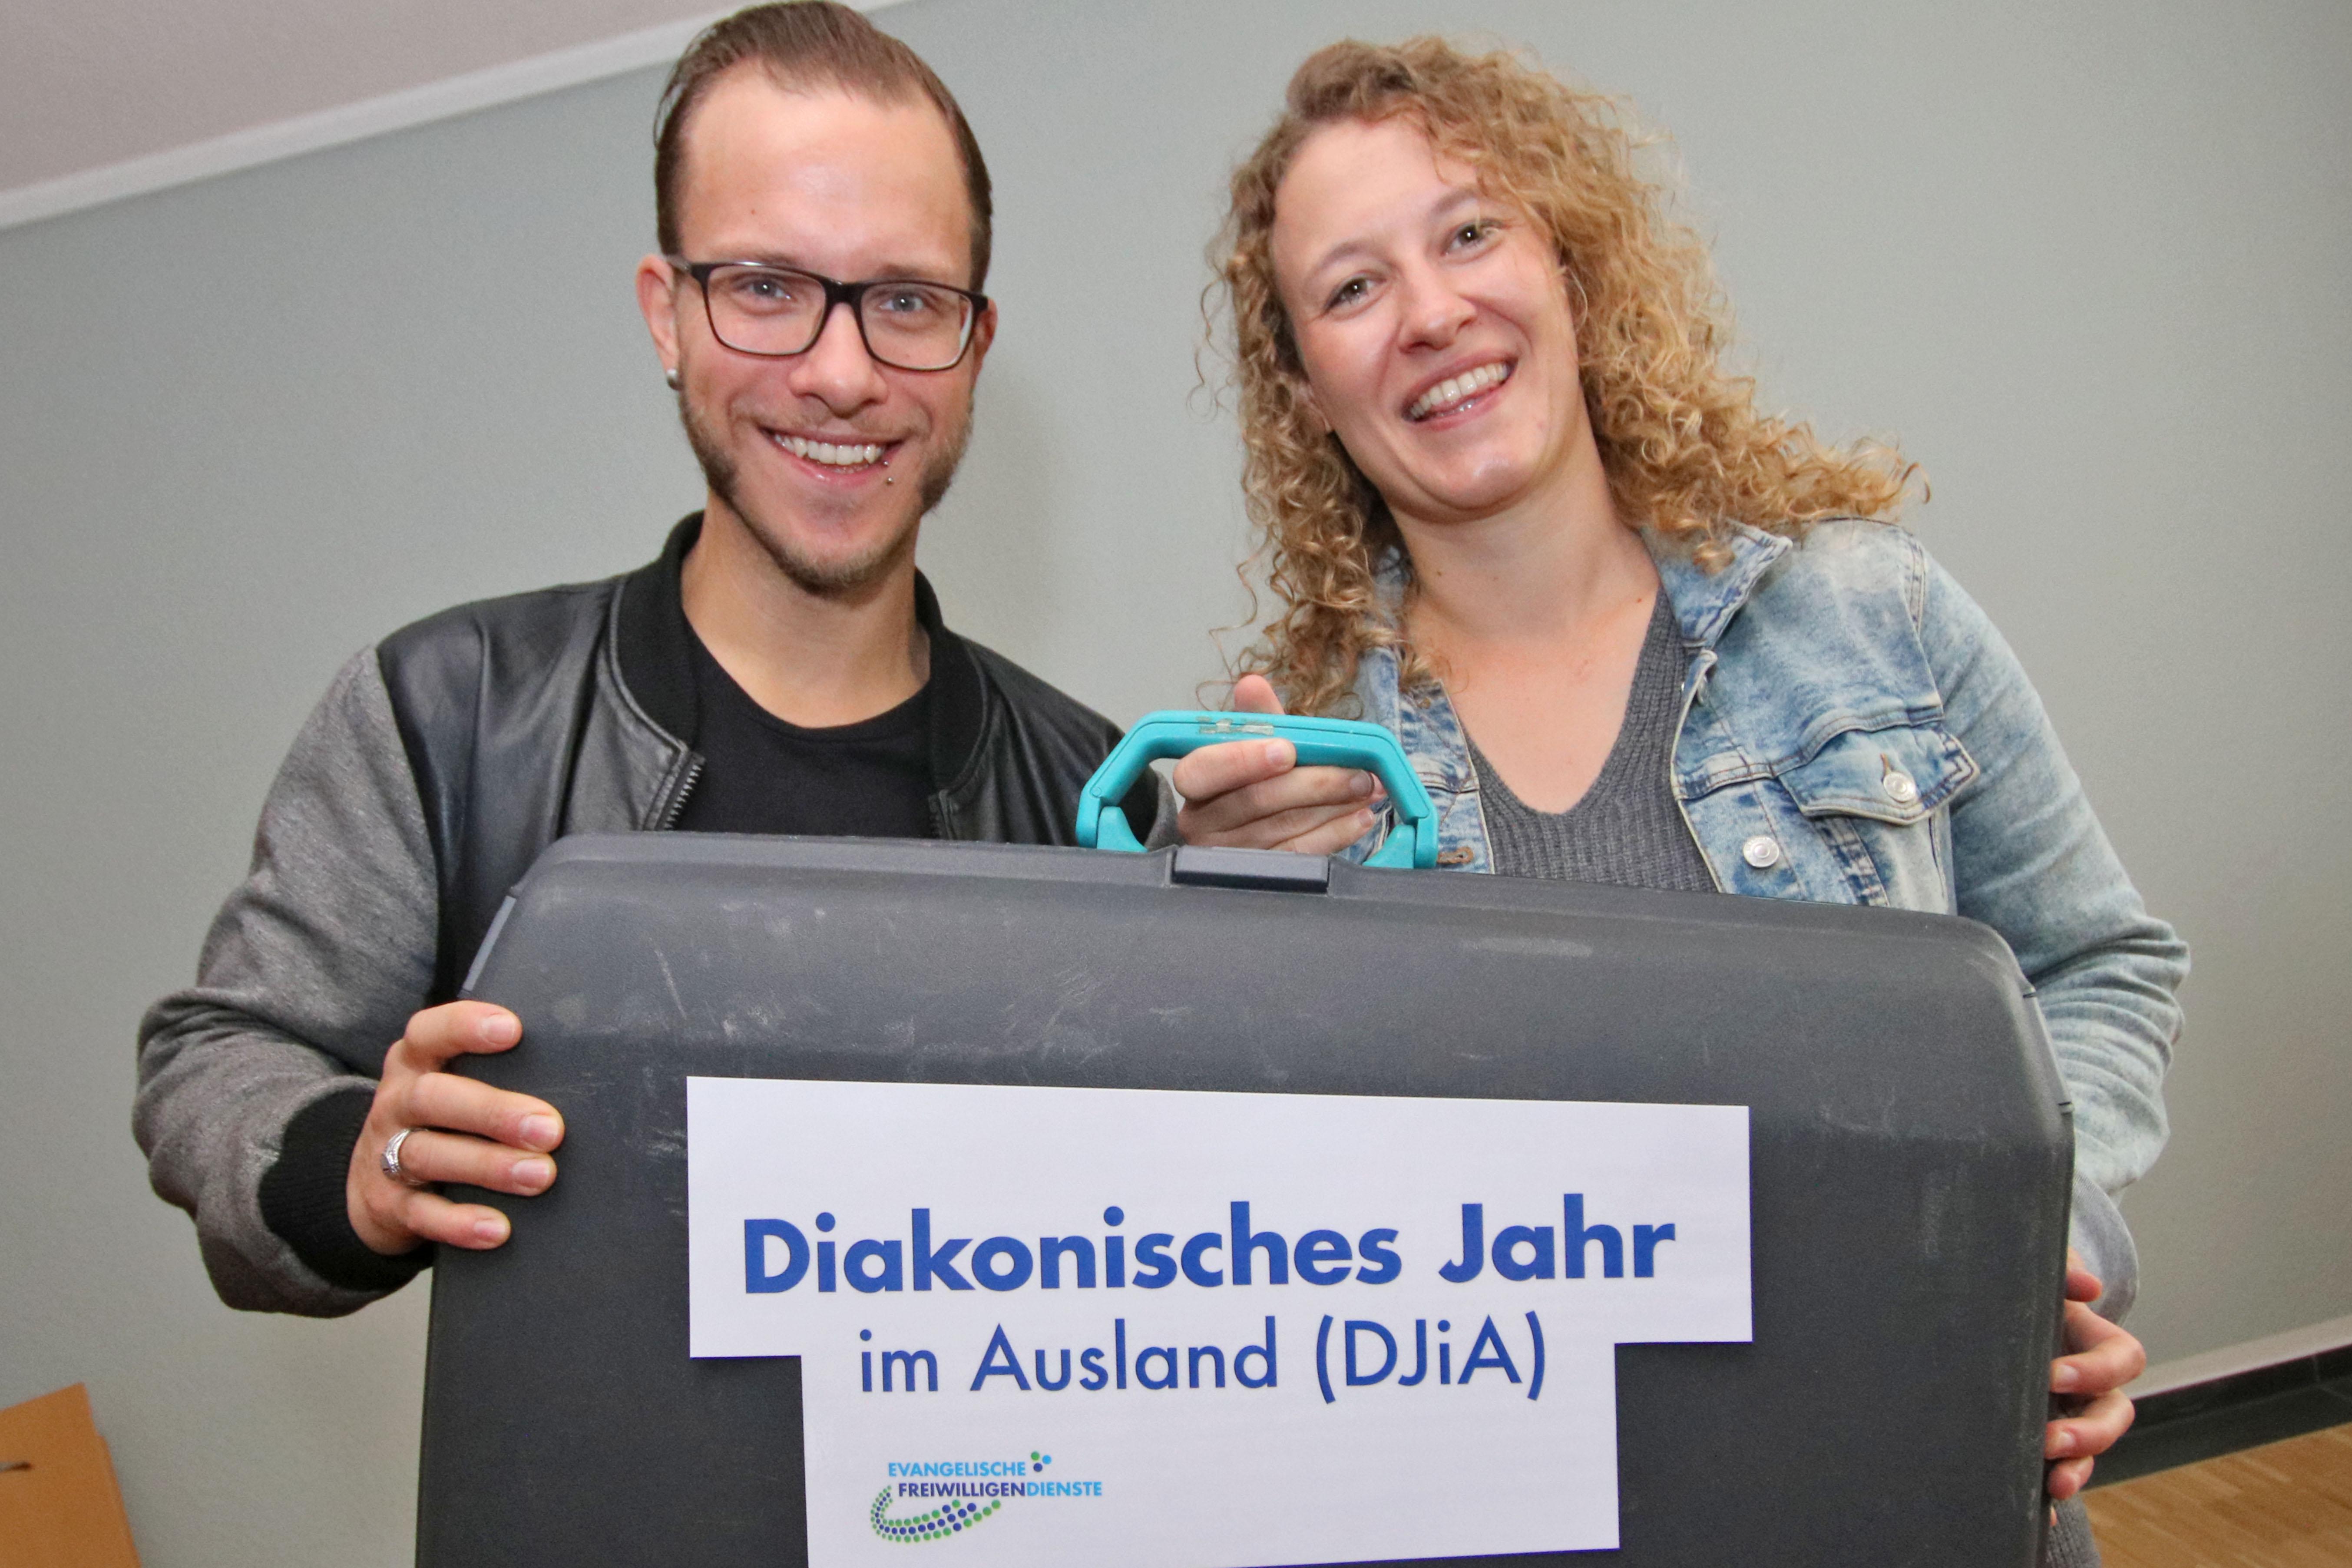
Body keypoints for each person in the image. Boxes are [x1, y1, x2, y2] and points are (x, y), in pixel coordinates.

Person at [1172, 37, 2187, 1561]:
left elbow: (2101, 966)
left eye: (1469, 232)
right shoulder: (1295, 775)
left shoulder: (1874, 614)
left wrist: (2042, 1246)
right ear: (1305, 388)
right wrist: (1210, 925)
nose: (1432, 312)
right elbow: (1239, 1228)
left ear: (1570, 270)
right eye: (1354, 286)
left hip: (1916, 1493)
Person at [136, 2, 1159, 1319]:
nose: (841, 372)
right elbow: (220, 1056)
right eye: (767, 289)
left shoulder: (1098, 792)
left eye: (906, 300)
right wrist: (365, 1163)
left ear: (975, 346)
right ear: (667, 316)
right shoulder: (449, 714)